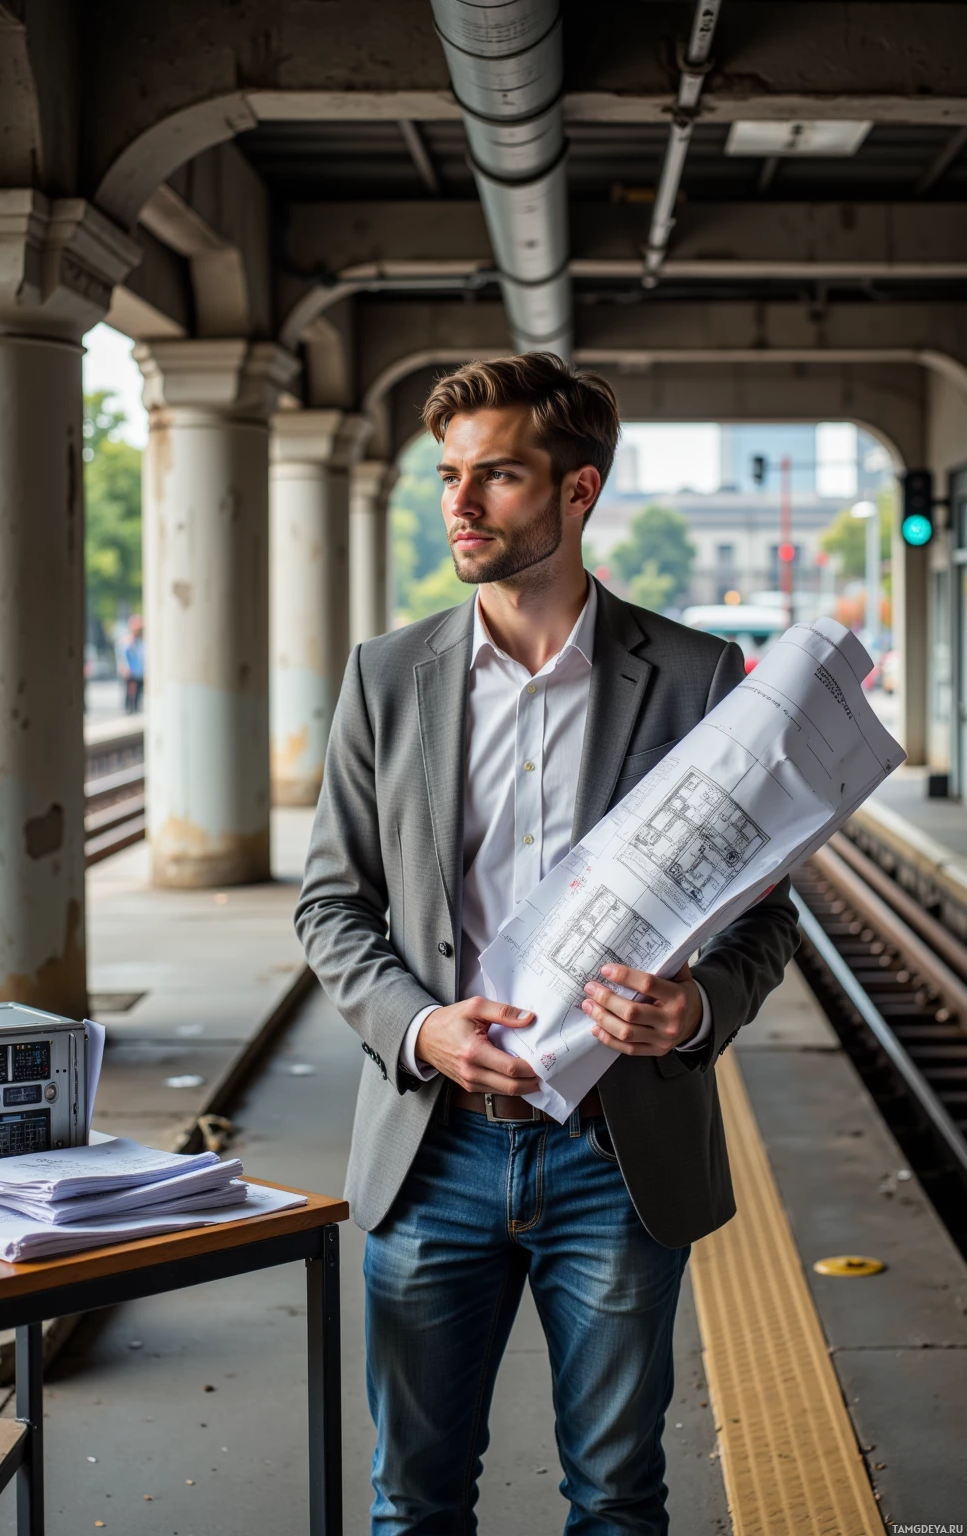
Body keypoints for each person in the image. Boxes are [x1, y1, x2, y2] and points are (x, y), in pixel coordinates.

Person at [295, 353, 799, 1534]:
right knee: (411, 1501)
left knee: (617, 1497)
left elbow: (763, 914)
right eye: (448, 477)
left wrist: (697, 1011)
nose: (459, 504)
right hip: (433, 1152)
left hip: (613, 1160)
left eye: (498, 476)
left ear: (577, 493)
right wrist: (420, 1027)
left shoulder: (696, 677)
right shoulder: (385, 679)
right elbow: (332, 905)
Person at [121, 614, 145, 714]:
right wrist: (125, 667)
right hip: (130, 671)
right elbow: (123, 654)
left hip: (139, 671)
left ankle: (135, 707)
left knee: (138, 691)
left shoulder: (141, 641)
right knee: (130, 692)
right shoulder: (128, 640)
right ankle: (129, 708)